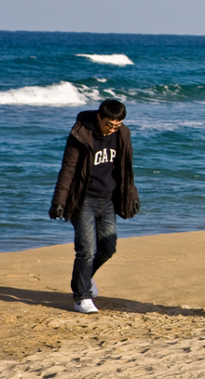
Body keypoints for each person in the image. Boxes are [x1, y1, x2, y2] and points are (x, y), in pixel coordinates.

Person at [49, 99, 140, 313]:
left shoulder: (122, 134)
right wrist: (58, 201)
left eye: (117, 125)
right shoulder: (80, 134)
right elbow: (68, 170)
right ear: (99, 117)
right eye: (109, 124)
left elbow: (126, 170)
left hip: (108, 200)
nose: (112, 129)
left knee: (108, 247)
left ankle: (86, 278)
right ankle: (81, 297)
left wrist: (132, 195)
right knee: (86, 250)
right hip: (83, 200)